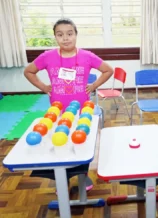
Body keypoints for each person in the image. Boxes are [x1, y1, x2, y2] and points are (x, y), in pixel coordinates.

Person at [24, 18, 113, 192]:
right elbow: (28, 71)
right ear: (55, 37)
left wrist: (94, 86)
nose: (65, 38)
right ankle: (62, 179)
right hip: (57, 112)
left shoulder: (87, 56)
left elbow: (108, 70)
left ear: (76, 35)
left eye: (69, 34)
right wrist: (43, 87)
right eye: (60, 34)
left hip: (82, 112)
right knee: (59, 143)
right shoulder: (48, 56)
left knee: (81, 144)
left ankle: (82, 176)